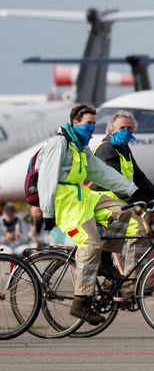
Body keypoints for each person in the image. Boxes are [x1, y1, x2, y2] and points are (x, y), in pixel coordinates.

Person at [36, 104, 144, 325]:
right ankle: (81, 302)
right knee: (90, 243)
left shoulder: (81, 148)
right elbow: (46, 179)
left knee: (123, 211)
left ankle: (105, 259)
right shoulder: (60, 144)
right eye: (88, 123)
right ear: (75, 122)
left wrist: (133, 191)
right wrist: (47, 212)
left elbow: (103, 173)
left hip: (84, 198)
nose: (92, 127)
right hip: (66, 203)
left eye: (94, 123)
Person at [93, 110, 154, 300]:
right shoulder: (106, 149)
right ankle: (129, 284)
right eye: (123, 128)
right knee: (138, 228)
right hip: (102, 202)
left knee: (128, 230)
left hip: (120, 203)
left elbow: (140, 178)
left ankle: (112, 280)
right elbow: (117, 183)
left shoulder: (125, 149)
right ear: (111, 130)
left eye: (130, 128)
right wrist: (139, 201)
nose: (127, 132)